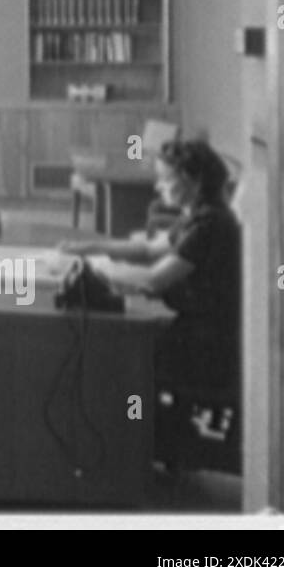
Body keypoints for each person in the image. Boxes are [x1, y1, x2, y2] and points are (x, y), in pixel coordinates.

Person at [59, 138, 241, 465]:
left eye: (165, 178)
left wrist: (102, 270)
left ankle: (131, 448)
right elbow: (148, 249)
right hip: (198, 330)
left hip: (209, 345)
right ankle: (132, 440)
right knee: (121, 342)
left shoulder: (210, 225)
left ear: (192, 180)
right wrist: (92, 249)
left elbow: (154, 279)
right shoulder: (200, 215)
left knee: (122, 353)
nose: (158, 187)